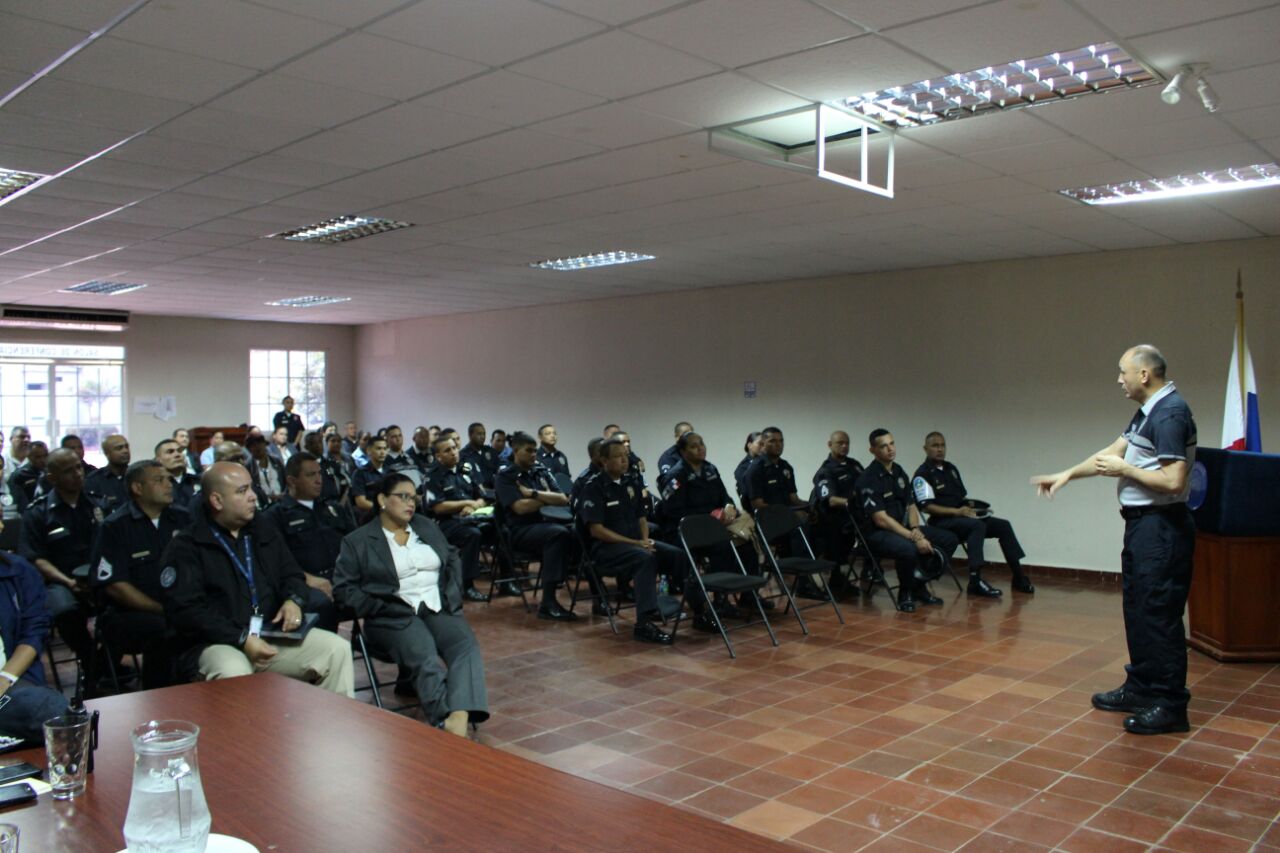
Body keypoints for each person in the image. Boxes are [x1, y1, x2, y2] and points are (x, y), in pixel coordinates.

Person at [1032, 345, 1197, 736]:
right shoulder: (1149, 411)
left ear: (1144, 375)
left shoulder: (1170, 413)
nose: (1119, 379)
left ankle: (1170, 705)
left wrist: (1126, 470)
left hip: (1162, 527)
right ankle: (1141, 688)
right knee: (1138, 609)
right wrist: (1067, 474)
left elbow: (1174, 480)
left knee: (1158, 613)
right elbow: (1111, 454)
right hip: (1143, 527)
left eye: (1123, 372)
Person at [159, 461, 354, 695]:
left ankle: (328, 719)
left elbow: (291, 574)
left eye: (251, 488)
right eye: (242, 491)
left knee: (336, 650)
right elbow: (187, 611)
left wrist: (293, 600)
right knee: (234, 670)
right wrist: (241, 638)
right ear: (217, 501)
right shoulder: (187, 546)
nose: (253, 496)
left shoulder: (263, 530)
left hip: (269, 633)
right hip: (215, 642)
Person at [334, 473, 488, 735]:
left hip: (435, 606)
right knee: (424, 652)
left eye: (414, 497)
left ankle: (458, 718)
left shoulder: (424, 526)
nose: (411, 503)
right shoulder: (358, 541)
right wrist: (379, 606)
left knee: (465, 645)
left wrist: (451, 594)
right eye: (403, 496)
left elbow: (451, 556)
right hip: (392, 615)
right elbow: (343, 590)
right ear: (382, 500)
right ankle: (444, 719)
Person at [90, 460, 188, 689]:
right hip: (131, 613)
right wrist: (162, 609)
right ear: (137, 488)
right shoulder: (116, 526)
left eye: (169, 479)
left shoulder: (182, 519)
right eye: (159, 480)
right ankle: (158, 696)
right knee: (164, 629)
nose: (169, 485)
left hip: (180, 604)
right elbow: (116, 585)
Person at [577, 439, 675, 644]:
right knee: (645, 559)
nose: (624, 460)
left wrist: (644, 540)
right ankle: (643, 624)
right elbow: (596, 530)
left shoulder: (631, 483)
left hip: (635, 545)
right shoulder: (593, 487)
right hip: (605, 550)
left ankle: (700, 609)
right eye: (618, 456)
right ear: (604, 461)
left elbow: (641, 517)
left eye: (626, 456)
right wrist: (635, 543)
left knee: (677, 555)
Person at [913, 432, 1031, 596]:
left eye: (942, 445)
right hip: (942, 522)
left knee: (1003, 526)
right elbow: (927, 507)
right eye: (935, 446)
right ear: (925, 449)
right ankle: (975, 581)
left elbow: (961, 498)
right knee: (977, 526)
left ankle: (1018, 576)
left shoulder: (951, 469)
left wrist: (973, 509)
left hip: (962, 518)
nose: (940, 449)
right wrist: (957, 512)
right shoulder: (922, 474)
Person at [854, 430, 958, 613]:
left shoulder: (899, 472)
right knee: (909, 548)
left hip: (902, 529)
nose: (890, 449)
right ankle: (906, 592)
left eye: (892, 443)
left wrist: (915, 528)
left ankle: (919, 582)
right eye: (883, 446)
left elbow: (911, 505)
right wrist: (913, 537)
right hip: (876, 533)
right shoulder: (868, 478)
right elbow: (881, 519)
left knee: (949, 539)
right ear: (873, 450)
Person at [18, 448, 102, 666]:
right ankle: (92, 662)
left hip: (100, 577)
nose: (77, 474)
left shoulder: (98, 505)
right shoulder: (38, 512)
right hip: (60, 581)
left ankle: (108, 660)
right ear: (52, 477)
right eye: (68, 471)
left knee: (126, 609)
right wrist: (69, 582)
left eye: (78, 467)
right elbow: (36, 558)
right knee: (64, 611)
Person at [263, 453, 356, 632]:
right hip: (305, 582)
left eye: (319, 473)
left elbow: (355, 543)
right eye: (311, 475)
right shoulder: (275, 516)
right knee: (321, 603)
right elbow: (275, 561)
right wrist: (308, 579)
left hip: (343, 576)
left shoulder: (332, 508)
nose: (319, 480)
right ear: (292, 481)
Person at [494, 431, 576, 621]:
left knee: (574, 531)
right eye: (528, 450)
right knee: (558, 534)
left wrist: (533, 493)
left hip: (545, 526)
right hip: (520, 531)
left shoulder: (540, 470)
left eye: (534, 451)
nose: (533, 454)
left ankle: (592, 591)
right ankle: (548, 603)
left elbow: (563, 498)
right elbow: (520, 508)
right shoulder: (506, 476)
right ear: (516, 450)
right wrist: (546, 498)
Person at [0, 551, 69, 741]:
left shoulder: (17, 570)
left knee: (53, 711)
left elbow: (34, 631)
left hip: (9, 681)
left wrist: (5, 678)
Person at [422, 437, 491, 602]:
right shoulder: (433, 476)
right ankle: (467, 585)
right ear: (438, 456)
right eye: (448, 450)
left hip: (470, 518)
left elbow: (483, 496)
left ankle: (507, 580)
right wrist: (466, 503)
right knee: (472, 534)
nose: (454, 452)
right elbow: (437, 507)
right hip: (444, 523)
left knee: (501, 530)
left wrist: (474, 506)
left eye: (454, 448)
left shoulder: (465, 470)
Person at [811, 430, 866, 591]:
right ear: (830, 445)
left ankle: (870, 569)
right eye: (840, 443)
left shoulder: (854, 465)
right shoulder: (826, 471)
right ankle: (836, 578)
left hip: (853, 514)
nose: (844, 446)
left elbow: (865, 485)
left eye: (847, 443)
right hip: (834, 518)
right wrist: (854, 504)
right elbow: (831, 500)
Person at [85, 433, 132, 514]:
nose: (125, 451)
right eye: (119, 448)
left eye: (126, 447)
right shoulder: (94, 480)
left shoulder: (137, 475)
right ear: (107, 453)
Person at [351, 435, 390, 515]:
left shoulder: (391, 472)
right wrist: (383, 509)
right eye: (378, 448)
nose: (382, 452)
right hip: (371, 515)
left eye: (385, 449)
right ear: (369, 451)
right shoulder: (360, 473)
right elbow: (361, 502)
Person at [244, 434, 285, 508]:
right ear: (249, 449)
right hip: (262, 505)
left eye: (260, 443)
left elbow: (286, 480)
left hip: (282, 501)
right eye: (253, 445)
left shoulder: (276, 461)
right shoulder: (248, 466)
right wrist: (267, 497)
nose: (258, 447)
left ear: (265, 445)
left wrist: (284, 495)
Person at [156, 438, 201, 506]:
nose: (177, 455)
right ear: (158, 460)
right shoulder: (157, 486)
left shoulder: (199, 481)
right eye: (170, 452)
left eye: (179, 451)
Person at [9, 441, 49, 507]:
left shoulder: (51, 473)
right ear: (29, 457)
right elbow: (14, 500)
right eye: (38, 457)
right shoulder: (19, 475)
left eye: (45, 455)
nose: (43, 460)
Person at [459, 423, 498, 489]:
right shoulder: (463, 455)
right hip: (475, 491)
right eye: (479, 434)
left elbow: (498, 469)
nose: (483, 437)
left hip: (493, 489)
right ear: (470, 435)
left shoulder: (490, 451)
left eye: (484, 434)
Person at [320, 432, 353, 504]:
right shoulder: (324, 461)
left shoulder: (349, 458)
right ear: (327, 443)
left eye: (339, 441)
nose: (336, 443)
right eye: (333, 441)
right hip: (334, 495)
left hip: (351, 492)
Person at [734, 432, 764, 509]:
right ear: (749, 445)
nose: (763, 447)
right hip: (757, 509)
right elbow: (746, 495)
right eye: (760, 444)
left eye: (764, 444)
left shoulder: (769, 463)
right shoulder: (743, 468)